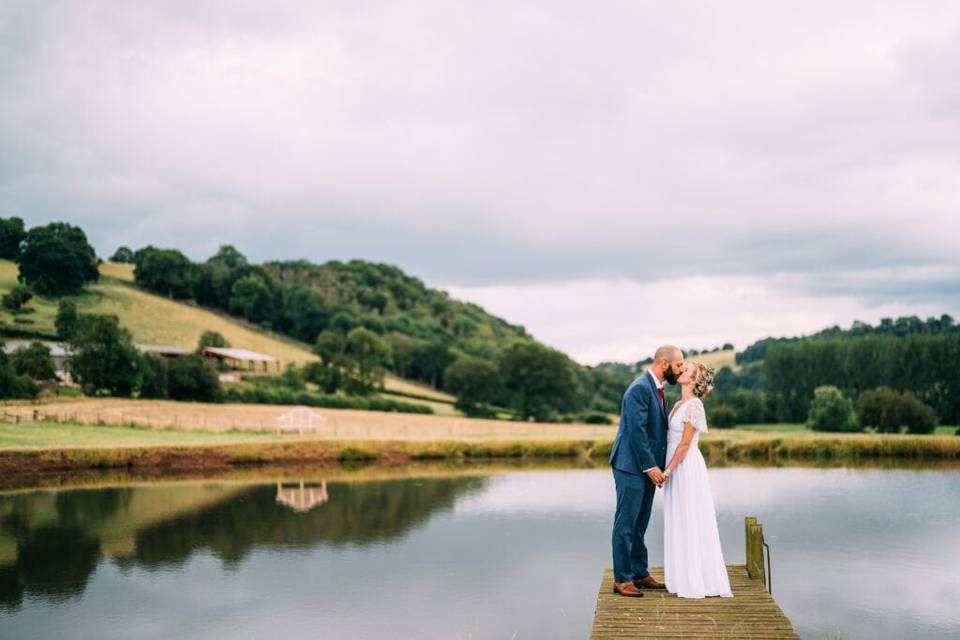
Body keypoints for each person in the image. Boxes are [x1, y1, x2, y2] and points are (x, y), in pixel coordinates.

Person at [608, 345, 685, 597]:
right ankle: (622, 579)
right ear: (664, 363)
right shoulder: (639, 389)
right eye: (678, 365)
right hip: (631, 466)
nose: (680, 370)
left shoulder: (656, 389)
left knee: (640, 523)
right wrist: (651, 466)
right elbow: (637, 432)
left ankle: (639, 573)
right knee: (626, 523)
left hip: (644, 467)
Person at [662, 362, 733, 598]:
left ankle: (697, 580)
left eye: (687, 369)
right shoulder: (678, 404)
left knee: (691, 517)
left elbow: (684, 444)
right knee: (679, 518)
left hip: (686, 467)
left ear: (694, 380)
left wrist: (668, 470)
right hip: (674, 466)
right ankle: (681, 577)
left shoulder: (694, 405)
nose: (681, 370)